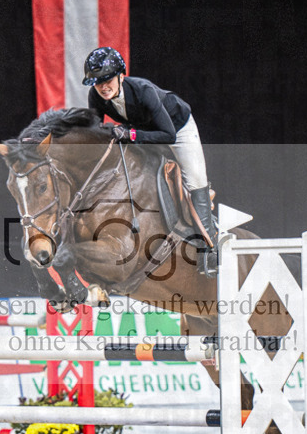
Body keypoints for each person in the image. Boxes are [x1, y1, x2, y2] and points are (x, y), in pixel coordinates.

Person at [82, 46, 216, 274]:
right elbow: (96, 132)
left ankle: (209, 249)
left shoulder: (143, 90)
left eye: (107, 80)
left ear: (121, 76)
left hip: (177, 128)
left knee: (195, 179)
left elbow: (168, 135)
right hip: (143, 130)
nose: (103, 87)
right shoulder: (96, 96)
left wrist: (130, 134)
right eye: (97, 82)